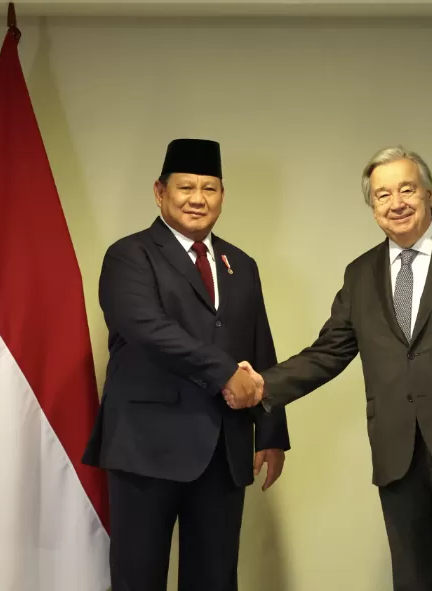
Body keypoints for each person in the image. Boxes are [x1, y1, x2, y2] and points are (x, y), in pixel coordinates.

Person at [226, 146, 432, 591]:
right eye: (382, 194)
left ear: (429, 194)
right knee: (414, 581)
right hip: (399, 457)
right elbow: (328, 352)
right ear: (372, 206)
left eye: (406, 189)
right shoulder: (360, 274)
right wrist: (262, 384)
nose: (396, 203)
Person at [83, 138, 290, 591]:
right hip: (145, 447)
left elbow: (260, 346)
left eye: (210, 188)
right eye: (186, 187)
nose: (198, 199)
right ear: (160, 192)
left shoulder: (242, 264)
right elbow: (148, 329)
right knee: (139, 579)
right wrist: (224, 374)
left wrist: (271, 431)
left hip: (223, 449)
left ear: (221, 195)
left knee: (216, 580)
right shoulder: (129, 255)